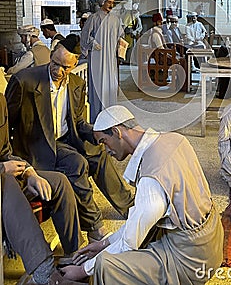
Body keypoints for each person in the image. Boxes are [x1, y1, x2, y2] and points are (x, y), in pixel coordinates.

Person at [60, 105, 224, 284]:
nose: (106, 150)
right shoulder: (176, 139)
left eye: (103, 141)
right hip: (212, 240)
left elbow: (129, 242)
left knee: (105, 264)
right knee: (136, 234)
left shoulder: (151, 179)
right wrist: (103, 244)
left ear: (117, 132)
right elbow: (137, 222)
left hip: (191, 260)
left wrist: (83, 270)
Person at [5, 35, 134, 243]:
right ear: (51, 56)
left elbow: (78, 122)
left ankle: (130, 207)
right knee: (77, 164)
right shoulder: (25, 81)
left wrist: (96, 133)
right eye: (55, 63)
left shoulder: (76, 83)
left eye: (65, 67)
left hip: (66, 140)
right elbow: (5, 122)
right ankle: (94, 227)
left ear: (75, 64)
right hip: (37, 146)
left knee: (99, 154)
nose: (58, 71)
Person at [0, 93, 83, 284]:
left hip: (6, 175)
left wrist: (30, 173)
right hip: (3, 180)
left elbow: (5, 152)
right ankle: (45, 272)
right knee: (8, 182)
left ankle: (75, 255)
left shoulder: (0, 101)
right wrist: (3, 169)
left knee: (59, 182)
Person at [80, 0, 124, 123]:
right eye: (109, 2)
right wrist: (92, 43)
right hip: (97, 57)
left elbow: (120, 35)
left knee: (110, 83)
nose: (111, 5)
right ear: (102, 3)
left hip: (110, 57)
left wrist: (121, 44)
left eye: (112, 2)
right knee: (98, 84)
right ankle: (97, 117)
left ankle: (110, 115)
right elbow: (85, 36)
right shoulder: (93, 18)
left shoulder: (115, 19)